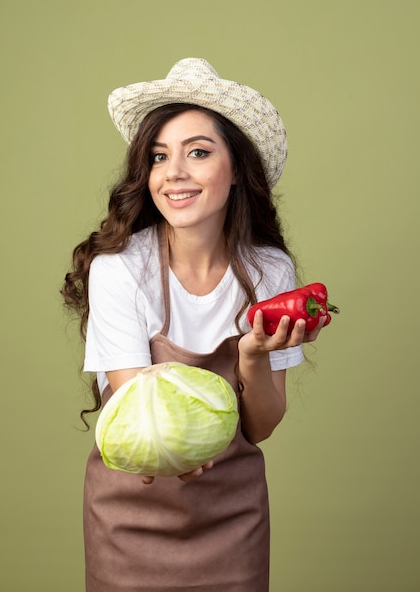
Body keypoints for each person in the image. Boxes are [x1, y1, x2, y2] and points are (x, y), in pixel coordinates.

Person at [62, 58, 326, 592]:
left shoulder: (270, 270)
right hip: (131, 515)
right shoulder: (119, 270)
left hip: (233, 513)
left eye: (199, 152)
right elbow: (143, 415)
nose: (173, 172)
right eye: (159, 157)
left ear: (238, 169)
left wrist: (252, 354)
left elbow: (260, 427)